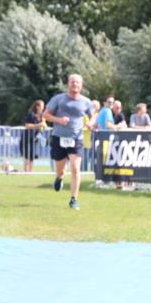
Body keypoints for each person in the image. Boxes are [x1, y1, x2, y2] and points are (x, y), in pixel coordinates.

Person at [44, 74, 95, 210]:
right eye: (73, 82)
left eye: (78, 82)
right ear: (68, 83)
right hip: (59, 137)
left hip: (76, 138)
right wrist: (59, 120)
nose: (75, 84)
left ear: (81, 85)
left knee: (75, 168)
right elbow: (45, 115)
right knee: (60, 169)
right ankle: (59, 177)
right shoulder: (58, 99)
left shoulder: (86, 101)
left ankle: (74, 199)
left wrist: (91, 122)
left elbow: (94, 115)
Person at [23, 99, 45, 173]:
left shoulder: (42, 115)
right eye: (42, 106)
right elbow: (27, 125)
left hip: (36, 137)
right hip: (28, 136)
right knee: (27, 155)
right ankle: (26, 171)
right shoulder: (30, 114)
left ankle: (30, 171)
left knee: (32, 155)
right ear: (37, 106)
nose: (43, 108)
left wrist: (43, 126)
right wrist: (38, 125)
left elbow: (44, 125)